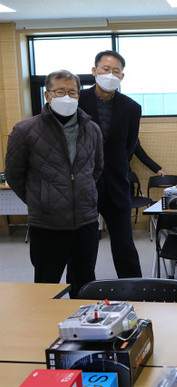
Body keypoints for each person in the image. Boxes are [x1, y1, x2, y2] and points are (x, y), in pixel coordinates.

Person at [5, 70, 103, 297]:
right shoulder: (25, 130)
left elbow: (95, 169)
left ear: (79, 95)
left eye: (72, 92)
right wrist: (40, 200)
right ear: (48, 95)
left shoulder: (92, 129)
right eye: (60, 91)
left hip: (86, 223)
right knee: (46, 289)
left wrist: (82, 193)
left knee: (85, 288)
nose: (66, 97)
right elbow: (14, 175)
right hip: (47, 225)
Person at [78, 50, 142, 278]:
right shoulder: (77, 101)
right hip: (83, 186)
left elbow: (129, 145)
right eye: (105, 69)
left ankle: (135, 290)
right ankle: (82, 292)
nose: (110, 74)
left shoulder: (132, 108)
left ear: (122, 76)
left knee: (124, 245)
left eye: (116, 71)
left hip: (116, 183)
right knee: (83, 247)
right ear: (94, 71)